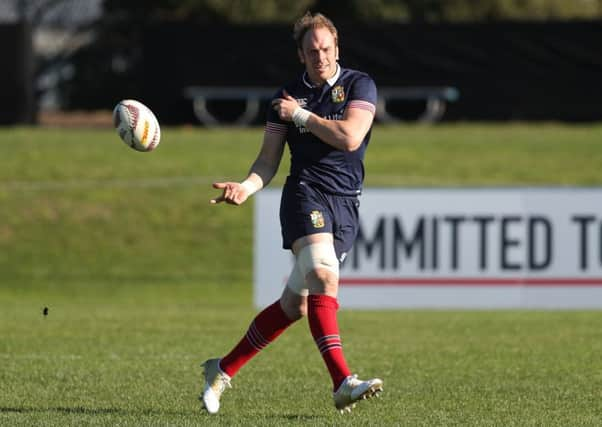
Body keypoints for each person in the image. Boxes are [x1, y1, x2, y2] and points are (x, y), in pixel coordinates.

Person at [201, 11, 383, 415]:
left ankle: (221, 368)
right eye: (311, 51)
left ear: (337, 48)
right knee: (322, 274)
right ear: (300, 55)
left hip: (346, 202)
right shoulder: (284, 97)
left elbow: (351, 137)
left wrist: (300, 115)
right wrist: (245, 188)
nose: (319, 56)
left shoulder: (359, 85)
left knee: (296, 305)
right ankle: (342, 382)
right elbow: (268, 160)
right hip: (305, 194)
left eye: (325, 49)